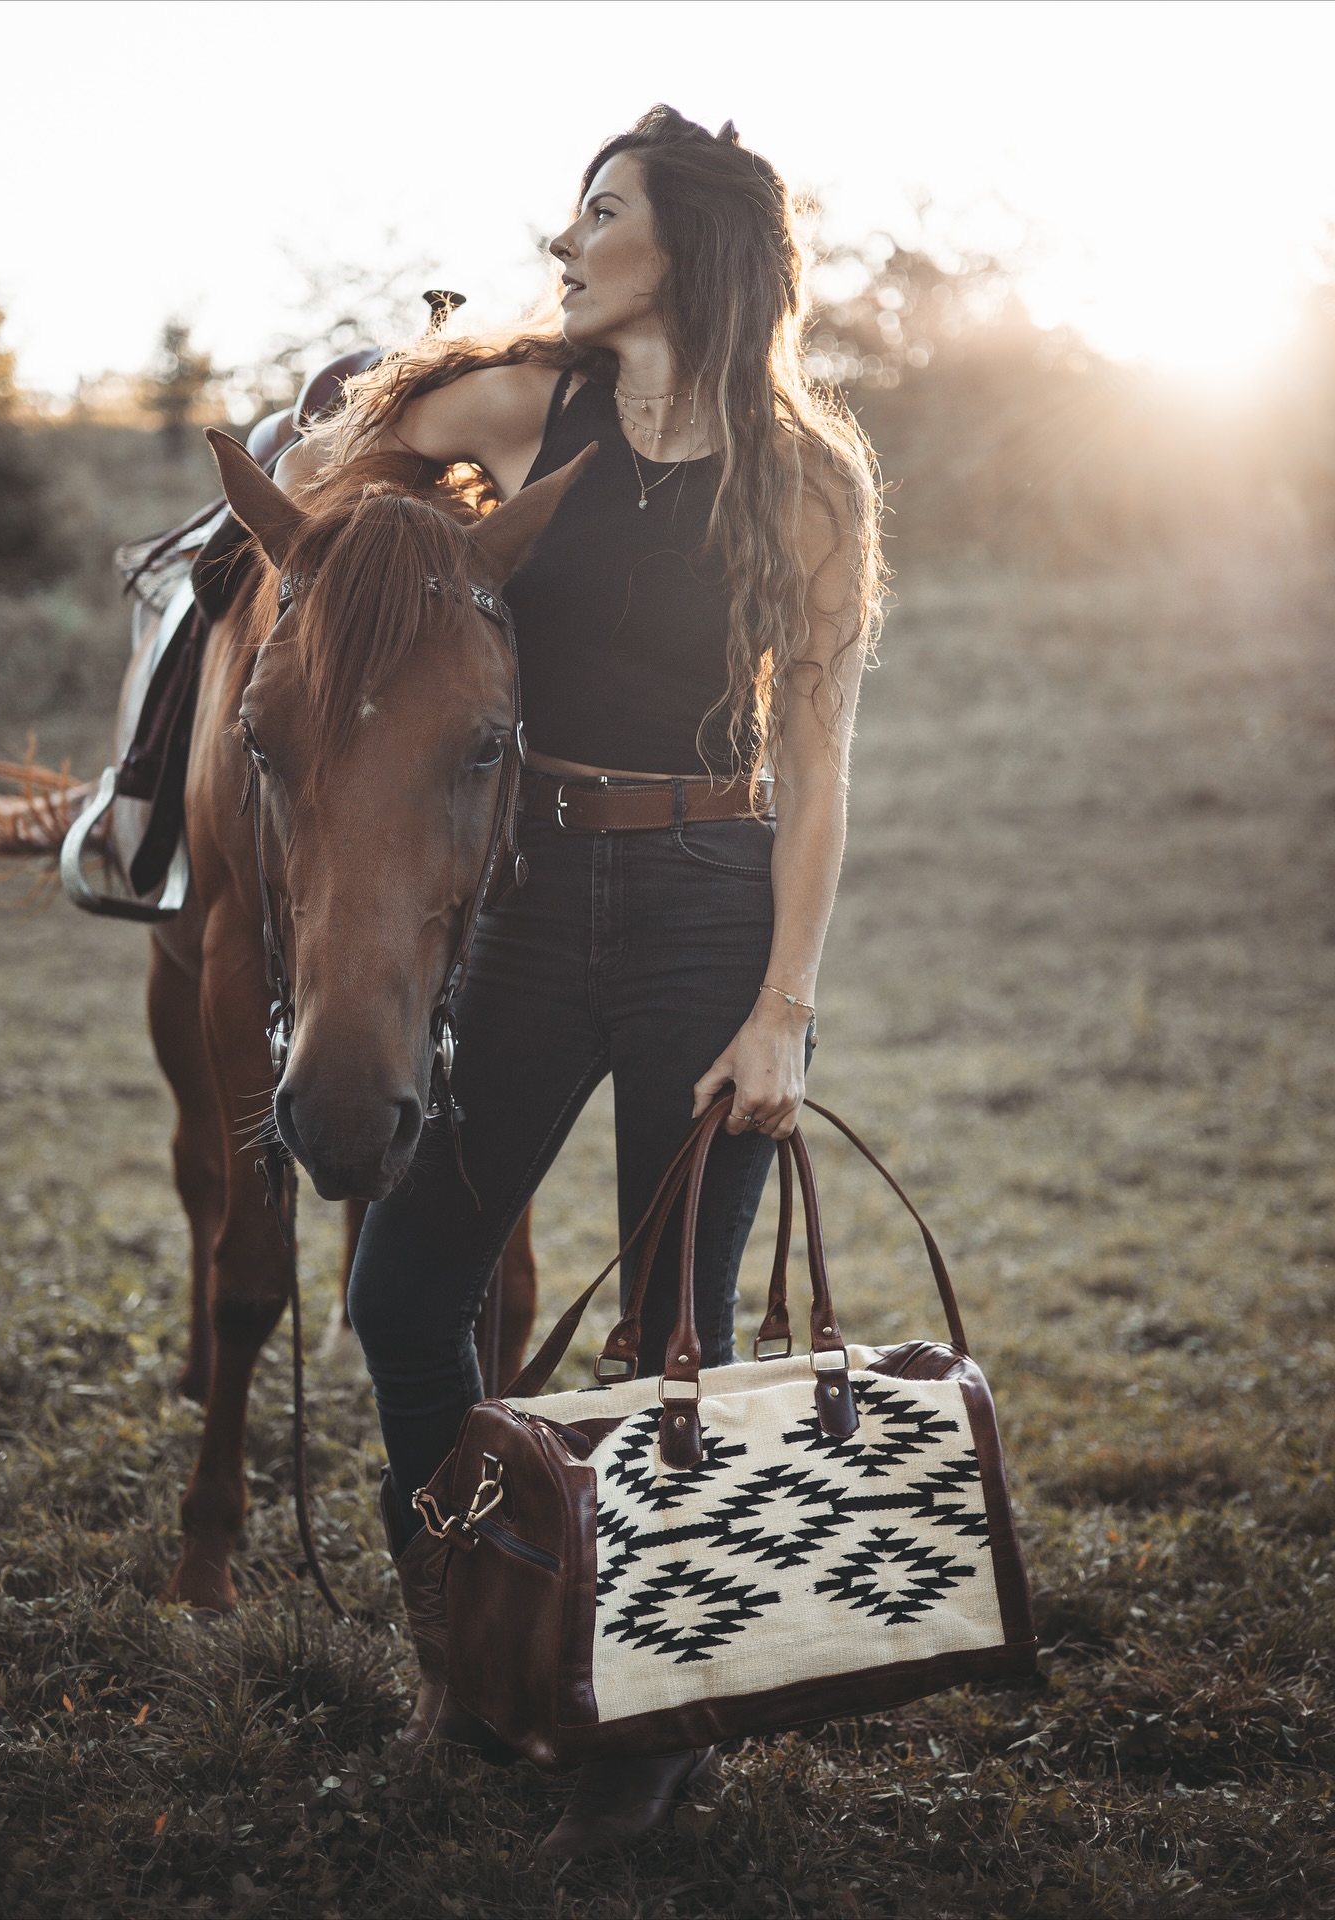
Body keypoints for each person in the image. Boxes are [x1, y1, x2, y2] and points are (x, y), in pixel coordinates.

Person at [280, 105, 882, 1859]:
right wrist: (339, 463)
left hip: (707, 899)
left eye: (600, 210)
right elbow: (334, 468)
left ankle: (652, 1730)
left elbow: (824, 765)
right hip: (532, 898)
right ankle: (490, 1630)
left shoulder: (808, 476)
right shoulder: (529, 409)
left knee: (672, 1355)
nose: (568, 237)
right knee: (406, 1299)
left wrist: (783, 1005)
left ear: (689, 243)